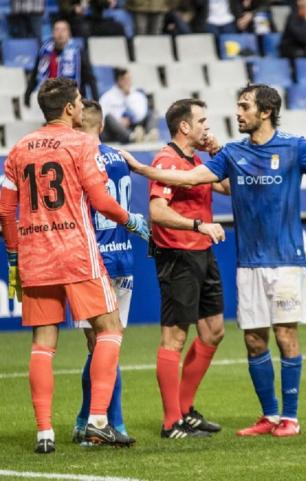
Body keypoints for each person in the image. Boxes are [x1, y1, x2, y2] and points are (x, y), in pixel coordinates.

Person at [124, 84, 306, 437]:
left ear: (265, 112)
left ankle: (290, 418)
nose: (236, 113)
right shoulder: (232, 153)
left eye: (243, 107)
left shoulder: (295, 146)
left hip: (286, 259)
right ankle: (269, 417)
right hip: (248, 263)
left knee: (285, 335)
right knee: (253, 340)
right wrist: (141, 168)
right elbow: (190, 177)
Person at [0, 78, 149, 453]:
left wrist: (15, 255)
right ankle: (99, 420)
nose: (82, 107)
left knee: (43, 343)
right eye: (80, 102)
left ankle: (44, 432)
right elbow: (100, 199)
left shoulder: (18, 149)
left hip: (35, 256)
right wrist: (130, 219)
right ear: (69, 109)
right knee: (110, 329)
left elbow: (4, 209)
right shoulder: (82, 143)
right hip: (77, 253)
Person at [137, 99, 229, 439]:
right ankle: (170, 421)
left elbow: (231, 188)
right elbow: (156, 212)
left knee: (214, 330)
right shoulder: (167, 160)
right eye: (202, 120)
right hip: (177, 255)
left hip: (202, 253)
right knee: (174, 337)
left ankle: (186, 409)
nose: (207, 126)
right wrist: (197, 225)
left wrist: (218, 149)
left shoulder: (196, 159)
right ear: (184, 127)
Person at [71, 100, 139, 444]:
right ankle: (88, 419)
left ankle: (110, 423)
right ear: (101, 127)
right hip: (124, 257)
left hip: (92, 261)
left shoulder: (77, 159)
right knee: (107, 344)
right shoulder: (120, 158)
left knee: (99, 345)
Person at [23, 19, 98, 108]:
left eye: (63, 30)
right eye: (57, 30)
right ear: (52, 33)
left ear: (69, 34)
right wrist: (27, 94)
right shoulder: (45, 51)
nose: (60, 33)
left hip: (73, 102)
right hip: (51, 101)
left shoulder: (78, 53)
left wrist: (95, 100)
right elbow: (35, 74)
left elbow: (90, 78)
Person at [99, 68, 158, 144]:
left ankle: (149, 134)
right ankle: (131, 137)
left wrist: (131, 119)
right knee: (108, 118)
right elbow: (101, 116)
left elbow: (142, 113)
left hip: (133, 124)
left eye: (129, 79)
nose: (128, 82)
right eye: (125, 80)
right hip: (116, 128)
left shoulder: (138, 95)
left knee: (152, 112)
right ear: (119, 80)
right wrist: (119, 120)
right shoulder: (107, 97)